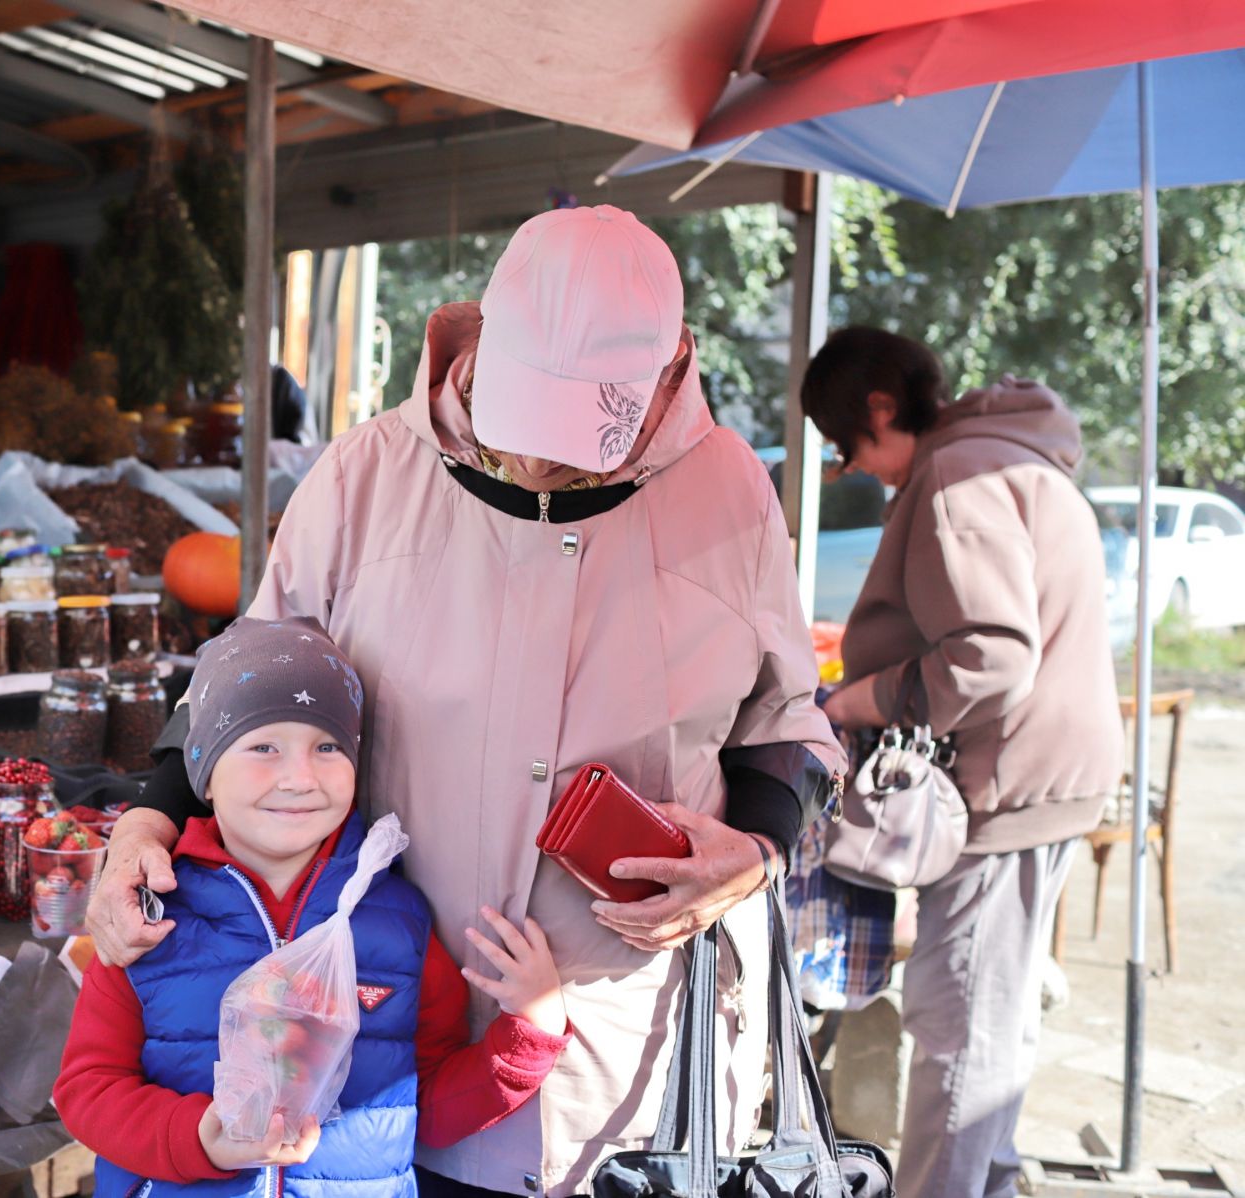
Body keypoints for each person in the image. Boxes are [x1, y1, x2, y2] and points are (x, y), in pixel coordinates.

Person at [90, 205, 845, 1197]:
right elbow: (247, 684)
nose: (539, 465)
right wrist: (146, 816)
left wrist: (751, 855)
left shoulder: (732, 492)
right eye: (526, 422)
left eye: (579, 443)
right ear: (481, 344)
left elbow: (788, 724)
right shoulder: (369, 473)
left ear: (670, 371)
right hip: (384, 1037)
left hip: (621, 1060)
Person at [54, 618, 572, 1194]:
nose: (300, 777)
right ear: (204, 774)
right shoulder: (149, 915)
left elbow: (426, 1110)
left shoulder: (398, 922)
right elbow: (87, 1090)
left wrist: (528, 1037)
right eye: (263, 747)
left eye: (327, 747)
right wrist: (198, 1138)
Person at [803, 327, 1123, 1198]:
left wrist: (854, 700)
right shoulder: (1004, 451)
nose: (856, 467)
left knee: (958, 1031)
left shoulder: (955, 474)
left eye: (847, 445)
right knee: (997, 1026)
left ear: (879, 409)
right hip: (1048, 779)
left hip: (1008, 784)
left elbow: (990, 656)